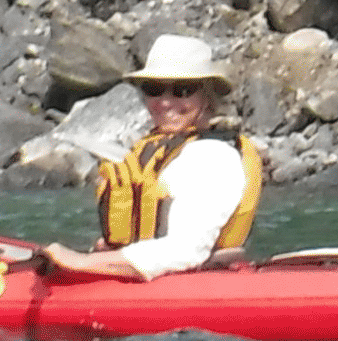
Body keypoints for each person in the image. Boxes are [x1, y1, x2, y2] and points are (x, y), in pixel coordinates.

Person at [36, 37, 265, 280]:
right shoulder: (157, 150)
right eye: (154, 89)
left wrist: (82, 261)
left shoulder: (213, 157)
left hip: (195, 285)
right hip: (152, 277)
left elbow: (186, 250)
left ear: (207, 97)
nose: (165, 102)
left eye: (182, 90)